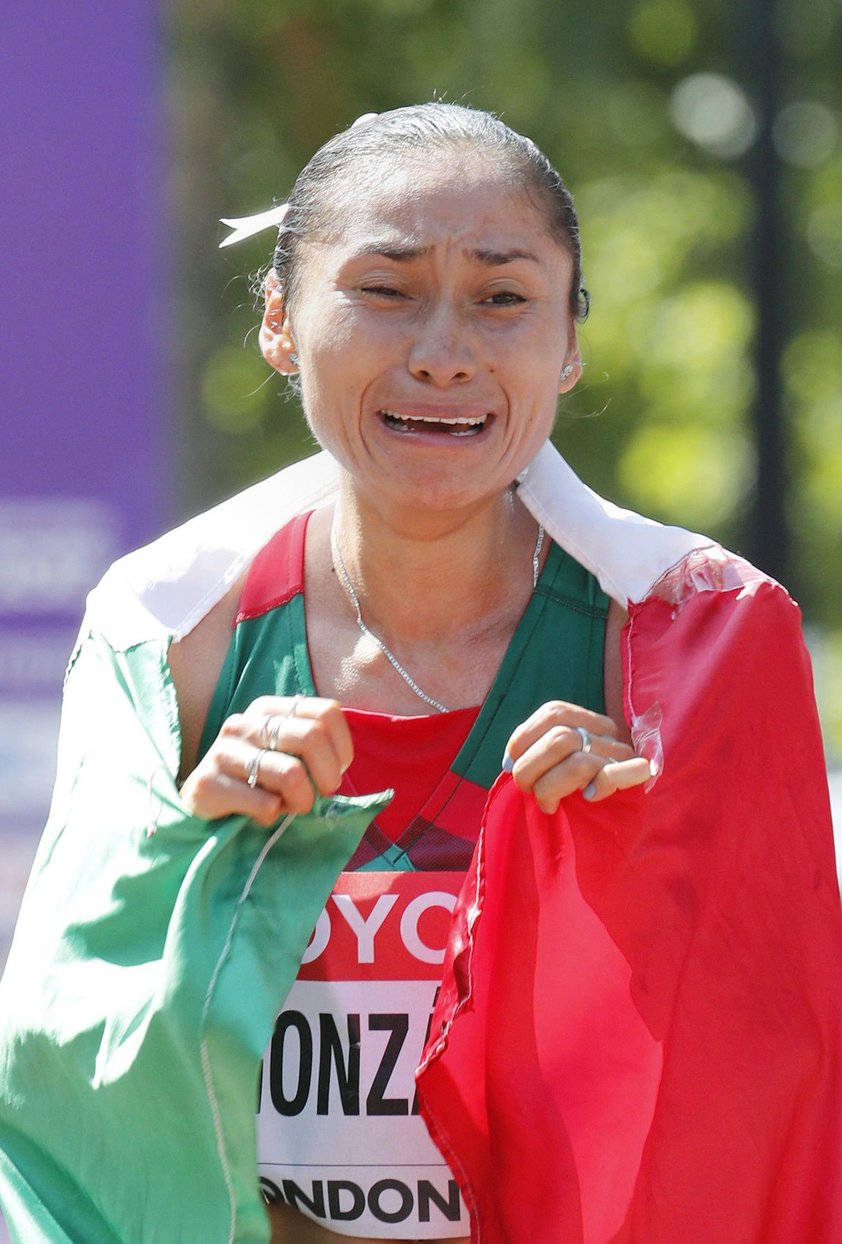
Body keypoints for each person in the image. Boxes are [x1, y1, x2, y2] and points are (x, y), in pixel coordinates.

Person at [0, 104, 841, 1244]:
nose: (443, 350)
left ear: (569, 342)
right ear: (281, 322)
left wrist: (637, 863)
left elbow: (767, 1111)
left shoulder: (686, 646)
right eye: (384, 289)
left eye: (502, 298)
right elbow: (60, 1098)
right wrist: (182, 857)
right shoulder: (169, 636)